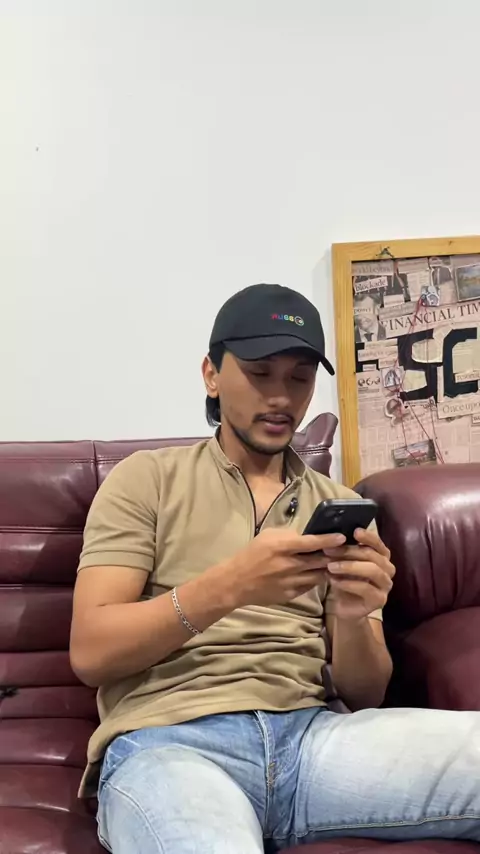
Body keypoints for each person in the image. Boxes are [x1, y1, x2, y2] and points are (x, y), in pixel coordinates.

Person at [70, 283, 480, 854]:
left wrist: (355, 614)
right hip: (171, 744)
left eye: (300, 378)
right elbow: (91, 652)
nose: (282, 397)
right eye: (260, 373)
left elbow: (365, 694)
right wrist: (229, 587)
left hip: (313, 741)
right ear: (212, 375)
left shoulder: (338, 504)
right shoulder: (147, 479)